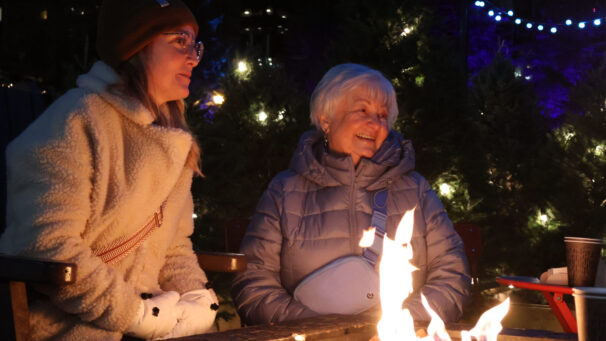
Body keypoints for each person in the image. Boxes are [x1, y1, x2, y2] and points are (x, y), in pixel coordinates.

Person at [0, 0, 218, 339]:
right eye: (180, 41)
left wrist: (197, 299)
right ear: (138, 44)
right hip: (68, 327)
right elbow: (46, 245)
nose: (193, 57)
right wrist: (135, 313)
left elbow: (174, 249)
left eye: (196, 45)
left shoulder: (175, 140)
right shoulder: (75, 122)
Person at [232, 63, 470, 325]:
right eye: (363, 110)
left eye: (382, 115)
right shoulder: (285, 191)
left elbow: (451, 275)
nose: (375, 123)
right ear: (326, 119)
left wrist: (398, 324)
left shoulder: (416, 190)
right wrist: (318, 329)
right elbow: (253, 283)